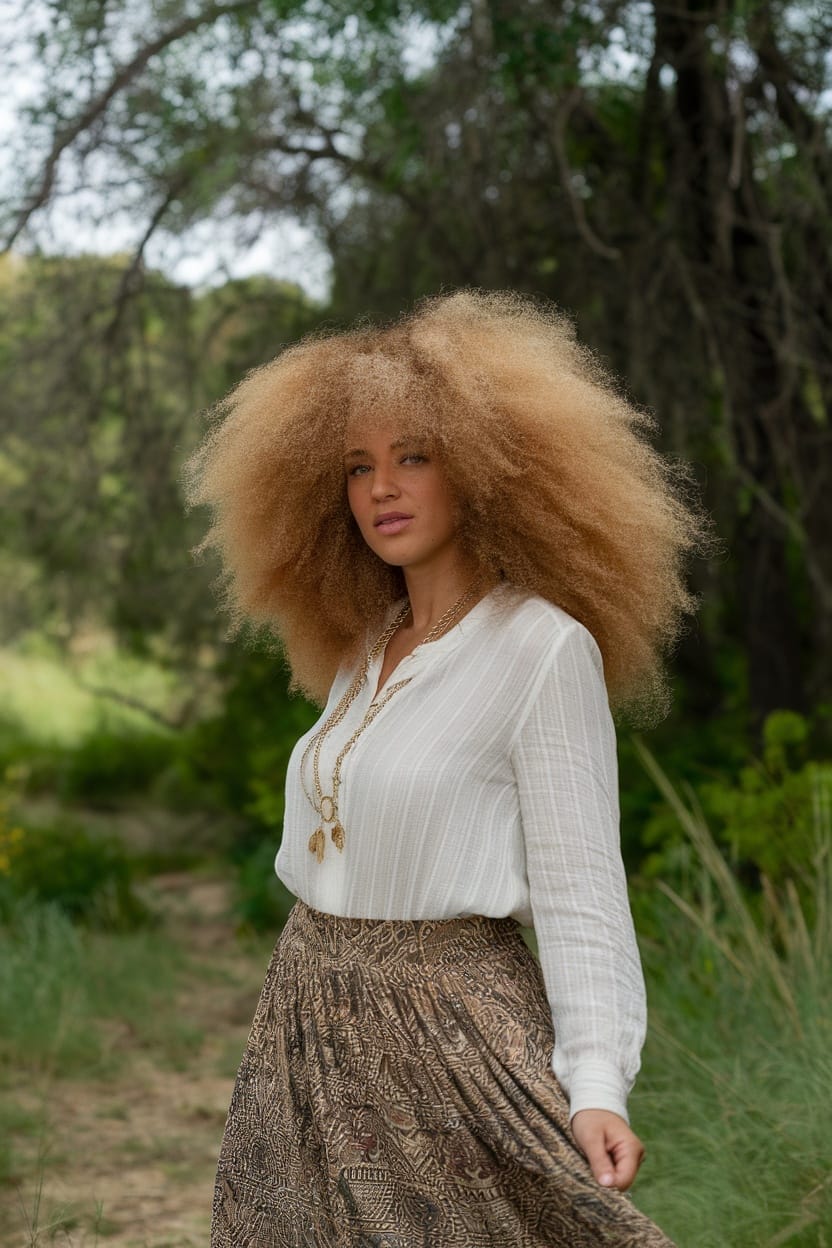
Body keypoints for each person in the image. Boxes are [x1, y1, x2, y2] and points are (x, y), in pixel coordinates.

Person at [183, 289, 710, 1246]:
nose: (382, 488)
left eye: (412, 457)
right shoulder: (363, 643)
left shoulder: (542, 650)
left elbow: (582, 888)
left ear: (480, 468)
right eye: (357, 467)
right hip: (305, 1014)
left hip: (452, 1029)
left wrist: (596, 1084)